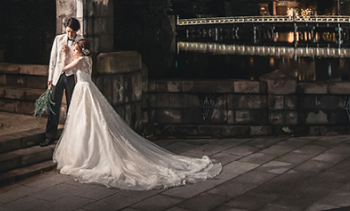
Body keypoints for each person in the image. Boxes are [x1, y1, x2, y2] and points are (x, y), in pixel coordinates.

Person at [53, 39, 222, 190]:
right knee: (92, 119)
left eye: (76, 49)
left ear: (81, 50)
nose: (74, 50)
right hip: (89, 89)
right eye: (74, 49)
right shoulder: (87, 59)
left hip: (83, 90)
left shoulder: (79, 60)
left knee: (86, 120)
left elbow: (64, 69)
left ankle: (86, 155)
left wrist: (65, 54)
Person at [40, 17, 83, 147]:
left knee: (72, 106)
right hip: (58, 75)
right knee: (54, 106)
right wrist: (50, 78)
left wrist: (68, 52)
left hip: (72, 76)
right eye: (68, 31)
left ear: (76, 31)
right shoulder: (58, 39)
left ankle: (71, 137)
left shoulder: (81, 40)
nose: (69, 34)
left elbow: (82, 58)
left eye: (72, 32)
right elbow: (53, 59)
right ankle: (49, 135)